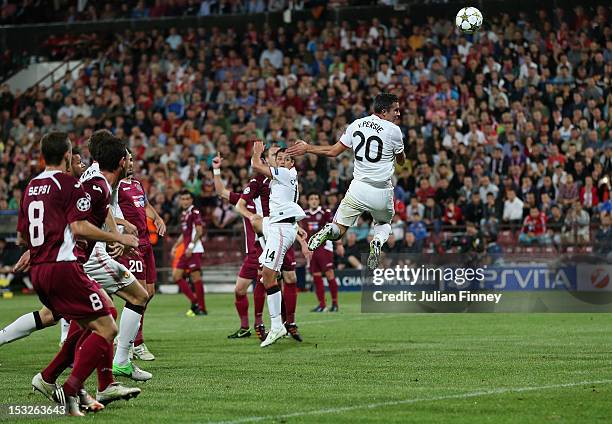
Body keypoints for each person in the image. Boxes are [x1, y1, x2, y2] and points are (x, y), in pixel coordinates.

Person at [17, 132, 138, 416]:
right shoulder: (70, 183)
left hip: (39, 269)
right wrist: (118, 238)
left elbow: (24, 236)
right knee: (107, 326)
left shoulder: (32, 186)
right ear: (66, 155)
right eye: (73, 154)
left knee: (101, 314)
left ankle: (50, 377)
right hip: (63, 267)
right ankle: (71, 390)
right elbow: (79, 227)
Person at [288, 93, 406, 270]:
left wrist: (307, 148)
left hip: (357, 188)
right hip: (382, 189)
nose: (398, 114)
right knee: (383, 224)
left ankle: (328, 230)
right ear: (383, 111)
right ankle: (377, 242)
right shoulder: (394, 131)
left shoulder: (356, 124)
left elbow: (333, 151)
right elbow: (402, 161)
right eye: (395, 110)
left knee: (339, 229)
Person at [236, 141, 306, 347]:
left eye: (286, 159)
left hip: (281, 230)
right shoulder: (280, 177)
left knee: (270, 276)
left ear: (292, 163)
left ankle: (278, 324)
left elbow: (257, 166)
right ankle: (277, 324)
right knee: (267, 276)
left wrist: (256, 154)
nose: (281, 161)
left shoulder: (285, 174)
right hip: (277, 227)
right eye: (279, 158)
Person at [115, 149, 166, 362]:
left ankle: (125, 337)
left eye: (132, 159)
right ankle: (136, 342)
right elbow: (105, 212)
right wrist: (123, 226)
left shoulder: (136, 184)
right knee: (140, 293)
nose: (131, 162)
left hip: (146, 243)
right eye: (127, 159)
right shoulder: (114, 187)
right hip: (132, 244)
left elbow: (144, 205)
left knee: (150, 292)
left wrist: (157, 218)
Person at [301, 192, 339, 312]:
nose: (314, 201)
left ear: (319, 200)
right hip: (311, 249)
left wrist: (339, 244)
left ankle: (334, 304)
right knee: (316, 276)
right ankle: (322, 305)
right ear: (307, 201)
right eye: (311, 198)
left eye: (316, 198)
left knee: (329, 274)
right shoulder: (304, 214)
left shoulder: (325, 213)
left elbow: (333, 229)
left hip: (324, 247)